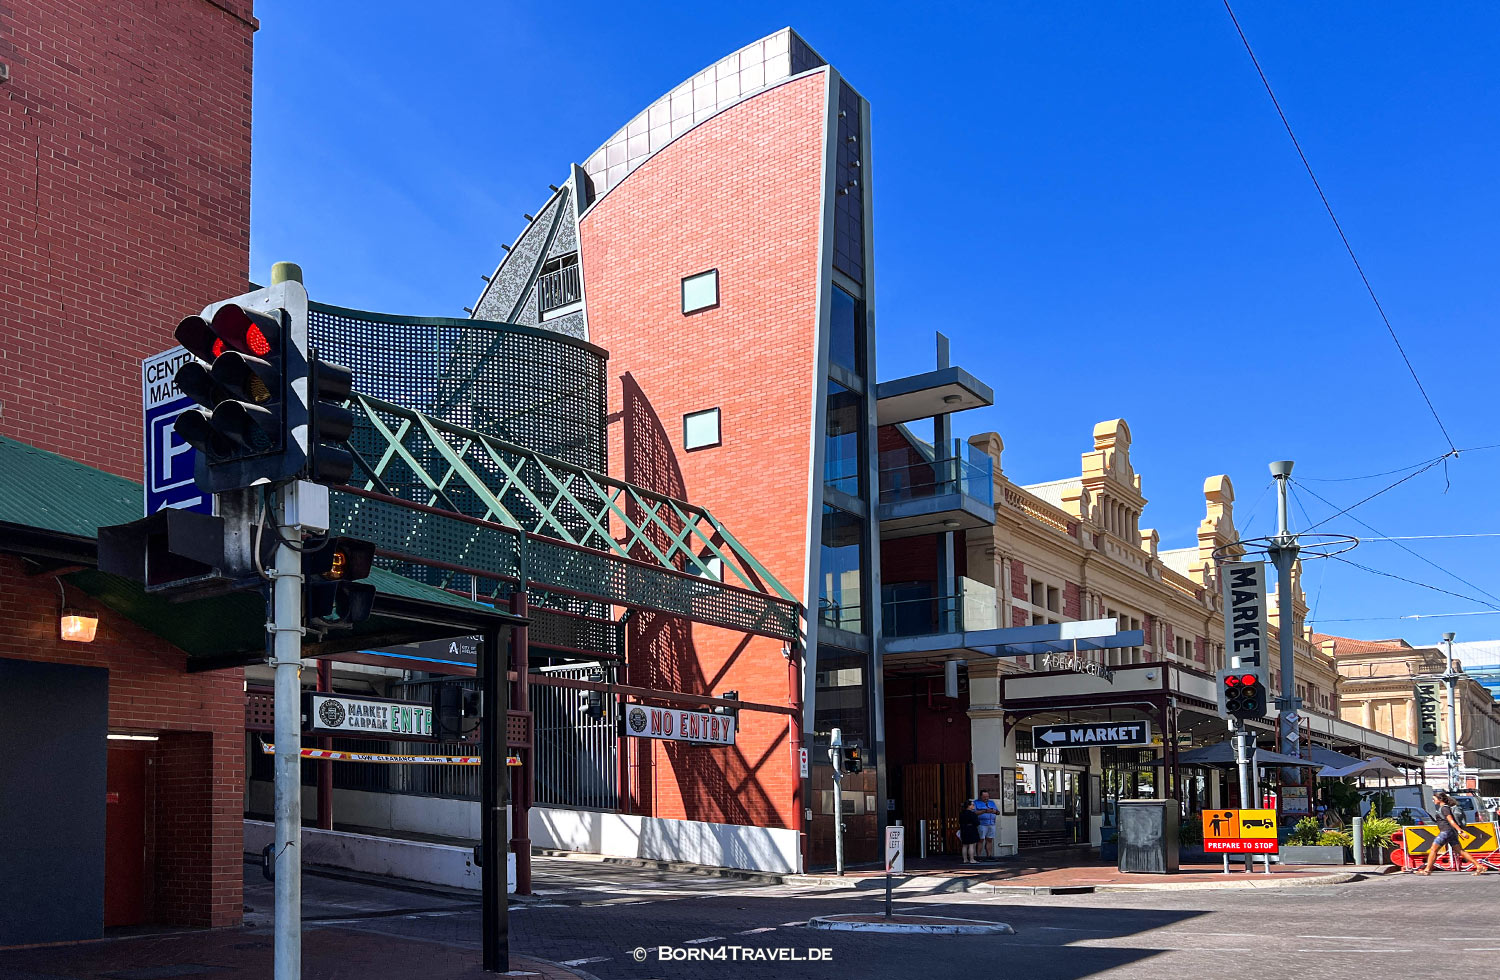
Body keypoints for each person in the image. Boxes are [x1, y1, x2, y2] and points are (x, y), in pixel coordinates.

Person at [1417, 791, 1485, 876]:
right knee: (1460, 851)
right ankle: (1478, 866)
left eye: (1434, 799)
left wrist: (1461, 831)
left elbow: (1451, 820)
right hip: (1451, 832)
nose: (1433, 801)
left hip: (1446, 832)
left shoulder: (1444, 808)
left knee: (1433, 849)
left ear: (1440, 799)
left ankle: (1427, 870)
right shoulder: (1444, 808)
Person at [974, 789, 999, 860]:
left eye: (987, 796)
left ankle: (989, 855)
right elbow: (974, 812)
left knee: (990, 840)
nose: (986, 798)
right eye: (984, 797)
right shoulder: (976, 803)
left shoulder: (992, 803)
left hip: (991, 823)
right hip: (981, 824)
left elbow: (998, 812)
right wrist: (984, 811)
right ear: (980, 796)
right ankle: (978, 856)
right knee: (980, 840)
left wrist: (994, 811)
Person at [958, 799, 980, 865]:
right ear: (969, 806)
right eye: (972, 805)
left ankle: (965, 859)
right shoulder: (972, 814)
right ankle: (972, 859)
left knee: (964, 845)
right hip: (971, 829)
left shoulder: (962, 813)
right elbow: (977, 822)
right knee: (971, 845)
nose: (973, 806)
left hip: (964, 829)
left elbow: (960, 822)